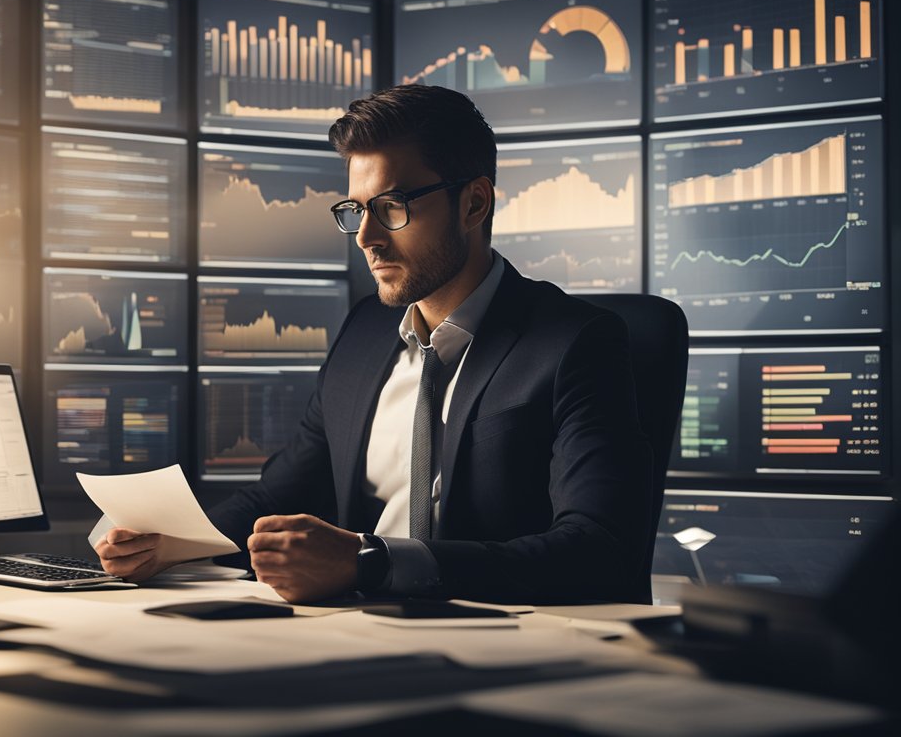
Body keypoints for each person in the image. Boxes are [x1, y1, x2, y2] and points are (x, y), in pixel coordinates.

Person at [95, 84, 652, 605]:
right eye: (356, 210)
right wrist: (173, 543)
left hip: (502, 646)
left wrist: (372, 564)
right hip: (352, 634)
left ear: (474, 204)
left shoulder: (575, 343)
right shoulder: (365, 334)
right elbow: (277, 498)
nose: (365, 236)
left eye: (391, 207)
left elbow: (599, 548)